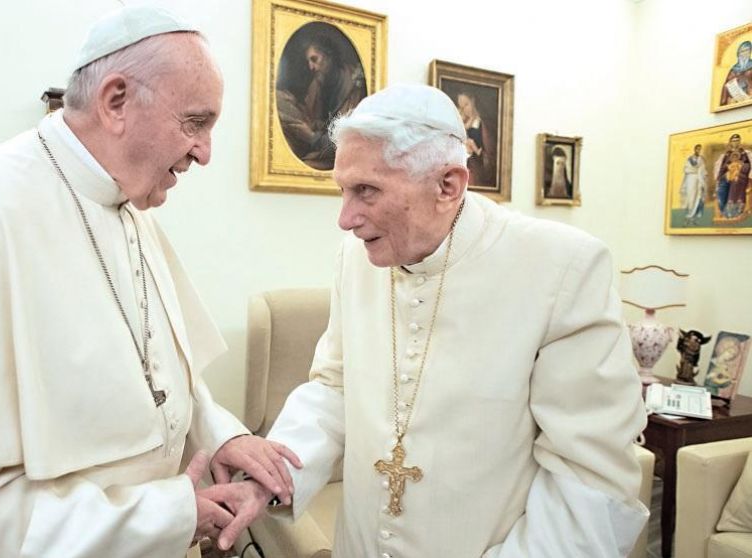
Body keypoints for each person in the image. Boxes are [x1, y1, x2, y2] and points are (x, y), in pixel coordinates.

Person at [0, 7, 298, 558]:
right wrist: (171, 513)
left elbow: (158, 374)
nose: (205, 152)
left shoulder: (131, 209)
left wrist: (222, 433)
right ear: (116, 102)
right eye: (195, 122)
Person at [253, 84, 649, 557]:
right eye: (343, 190)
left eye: (366, 191)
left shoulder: (563, 268)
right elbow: (334, 387)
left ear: (448, 186)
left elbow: (591, 478)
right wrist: (270, 477)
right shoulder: (355, 259)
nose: (345, 218)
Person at [276, 32, 366, 170]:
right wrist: (293, 103)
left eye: (314, 59)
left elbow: (345, 138)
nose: (311, 67)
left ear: (329, 56)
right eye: (309, 62)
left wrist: (312, 137)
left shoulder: (353, 87)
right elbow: (311, 118)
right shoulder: (318, 81)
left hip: (337, 155)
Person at [456, 91, 496, 187]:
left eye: (466, 104)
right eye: (461, 107)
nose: (464, 110)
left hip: (479, 176)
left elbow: (491, 158)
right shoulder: (461, 126)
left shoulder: (484, 126)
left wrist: (478, 154)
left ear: (473, 101)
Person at [713, 133, 751, 219]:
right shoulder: (727, 154)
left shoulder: (744, 153)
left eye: (737, 140)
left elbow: (748, 165)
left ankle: (735, 212)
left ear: (740, 141)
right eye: (734, 141)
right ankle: (723, 210)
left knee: (736, 182)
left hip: (740, 176)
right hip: (727, 175)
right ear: (730, 142)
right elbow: (722, 167)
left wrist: (740, 167)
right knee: (721, 189)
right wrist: (727, 168)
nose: (736, 142)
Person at [678, 144, 707, 225]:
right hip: (691, 179)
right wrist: (695, 170)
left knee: (699, 197)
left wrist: (700, 173)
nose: (699, 151)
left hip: (699, 179)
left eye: (700, 149)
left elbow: (702, 169)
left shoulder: (701, 159)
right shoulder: (689, 159)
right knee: (691, 197)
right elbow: (686, 169)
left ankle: (695, 217)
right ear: (695, 149)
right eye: (697, 149)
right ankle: (689, 215)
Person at [720, 40, 752, 106]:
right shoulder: (733, 69)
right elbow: (726, 86)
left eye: (747, 50)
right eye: (742, 51)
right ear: (738, 53)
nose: (745, 53)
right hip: (734, 100)